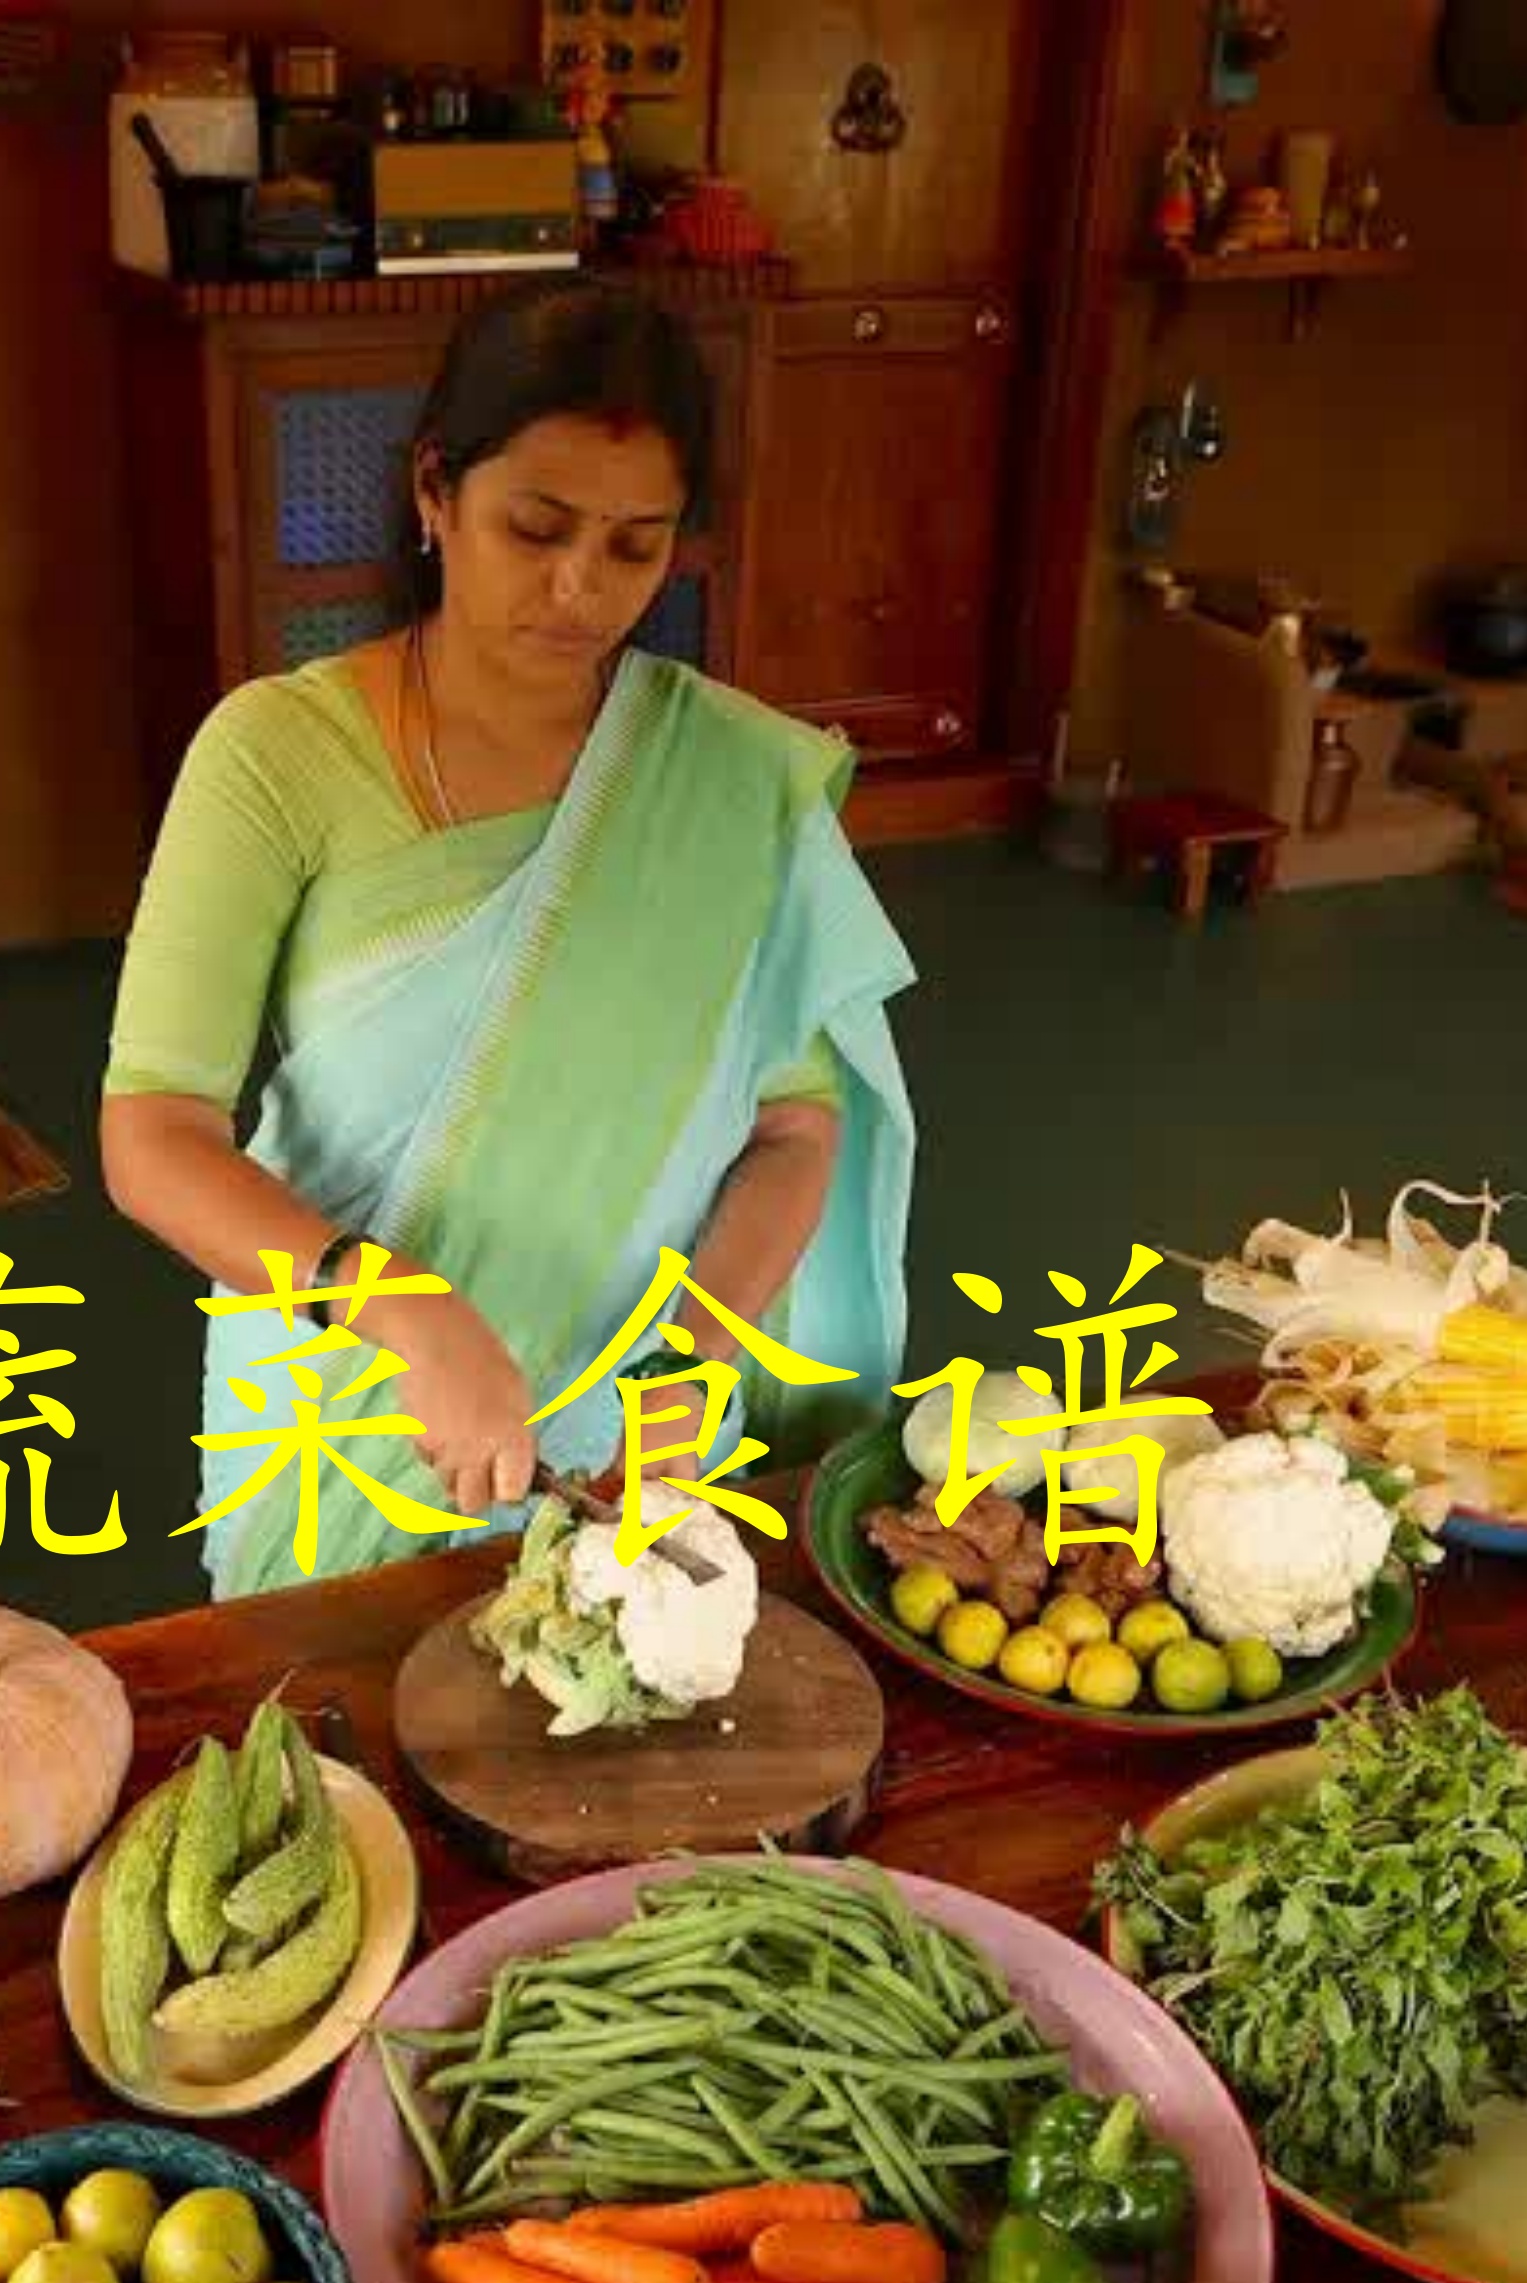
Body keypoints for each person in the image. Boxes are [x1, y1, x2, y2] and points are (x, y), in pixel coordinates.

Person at [101, 276, 917, 1598]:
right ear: (435, 490)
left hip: (627, 1429)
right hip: (362, 1398)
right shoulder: (276, 753)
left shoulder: (720, 780)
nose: (578, 589)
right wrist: (399, 1305)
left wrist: (693, 1362)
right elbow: (152, 1134)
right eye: (534, 528)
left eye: (635, 547)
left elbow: (794, 1130)